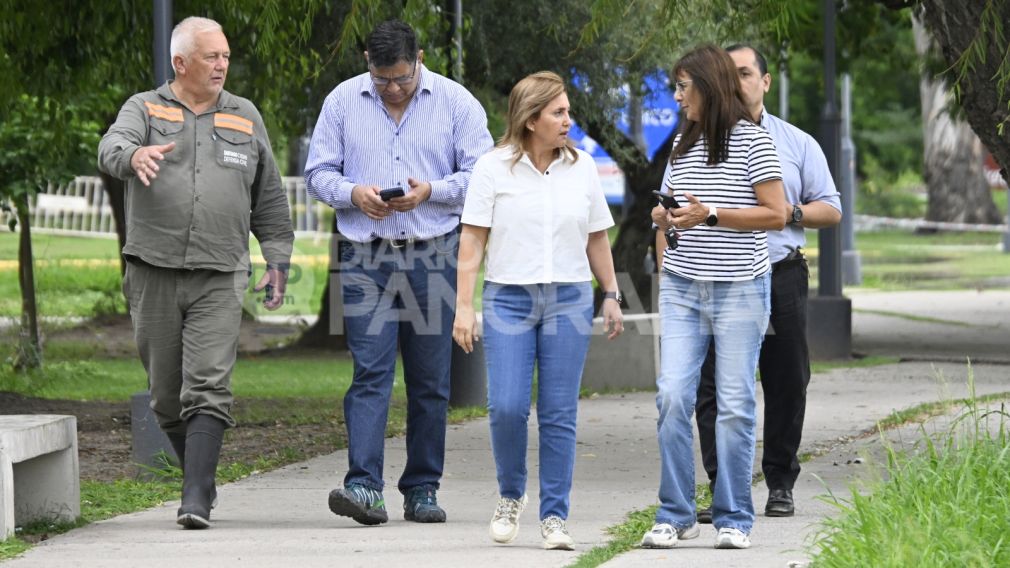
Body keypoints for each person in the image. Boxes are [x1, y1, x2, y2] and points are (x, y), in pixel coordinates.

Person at [97, 16, 293, 529]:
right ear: (180, 62)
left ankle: (195, 499)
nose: (223, 64)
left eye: (226, 55)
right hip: (153, 270)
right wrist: (135, 153)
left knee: (208, 383)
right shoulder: (144, 107)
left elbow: (268, 197)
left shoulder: (245, 116)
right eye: (211, 56)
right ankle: (200, 481)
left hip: (220, 271)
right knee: (166, 394)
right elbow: (110, 148)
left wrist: (277, 259)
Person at [304, 20, 493, 526]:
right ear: (367, 60)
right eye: (381, 77)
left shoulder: (457, 103)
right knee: (370, 372)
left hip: (434, 253)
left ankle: (422, 488)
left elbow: (483, 173)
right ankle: (363, 486)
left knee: (431, 380)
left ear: (420, 59)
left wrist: (430, 190)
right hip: (365, 256)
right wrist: (354, 194)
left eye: (401, 78)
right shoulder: (342, 101)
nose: (391, 88)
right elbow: (318, 172)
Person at [453, 71, 624, 550]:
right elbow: (472, 239)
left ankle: (554, 517)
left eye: (567, 111)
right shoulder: (492, 168)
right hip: (508, 297)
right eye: (559, 113)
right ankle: (511, 494)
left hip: (569, 297)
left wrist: (610, 293)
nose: (569, 120)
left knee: (558, 412)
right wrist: (463, 307)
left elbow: (596, 236)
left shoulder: (583, 167)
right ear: (531, 120)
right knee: (506, 407)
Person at [640, 44, 787, 551]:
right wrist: (666, 221)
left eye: (683, 87)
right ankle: (676, 513)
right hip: (683, 285)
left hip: (740, 289)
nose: (678, 97)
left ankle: (733, 516)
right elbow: (672, 205)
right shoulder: (682, 142)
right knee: (673, 396)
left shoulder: (754, 143)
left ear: (707, 86)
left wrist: (713, 214)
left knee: (734, 404)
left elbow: (777, 213)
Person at [693, 44, 842, 523]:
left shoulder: (796, 143)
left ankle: (780, 481)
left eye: (745, 73)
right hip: (718, 278)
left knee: (786, 380)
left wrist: (786, 214)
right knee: (712, 386)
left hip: (779, 274)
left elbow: (831, 207)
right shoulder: (695, 140)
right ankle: (723, 487)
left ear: (766, 81)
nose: (737, 83)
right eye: (728, 75)